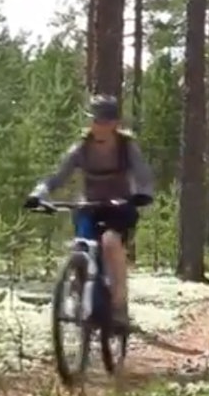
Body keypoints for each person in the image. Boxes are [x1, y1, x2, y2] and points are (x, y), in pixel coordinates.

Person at [23, 94, 155, 328]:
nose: (98, 126)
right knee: (80, 245)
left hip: (120, 207)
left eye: (103, 121)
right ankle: (78, 290)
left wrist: (142, 194)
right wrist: (39, 193)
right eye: (94, 120)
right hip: (90, 206)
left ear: (114, 123)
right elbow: (57, 177)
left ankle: (118, 305)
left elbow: (143, 175)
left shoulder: (127, 147)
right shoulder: (80, 148)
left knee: (111, 242)